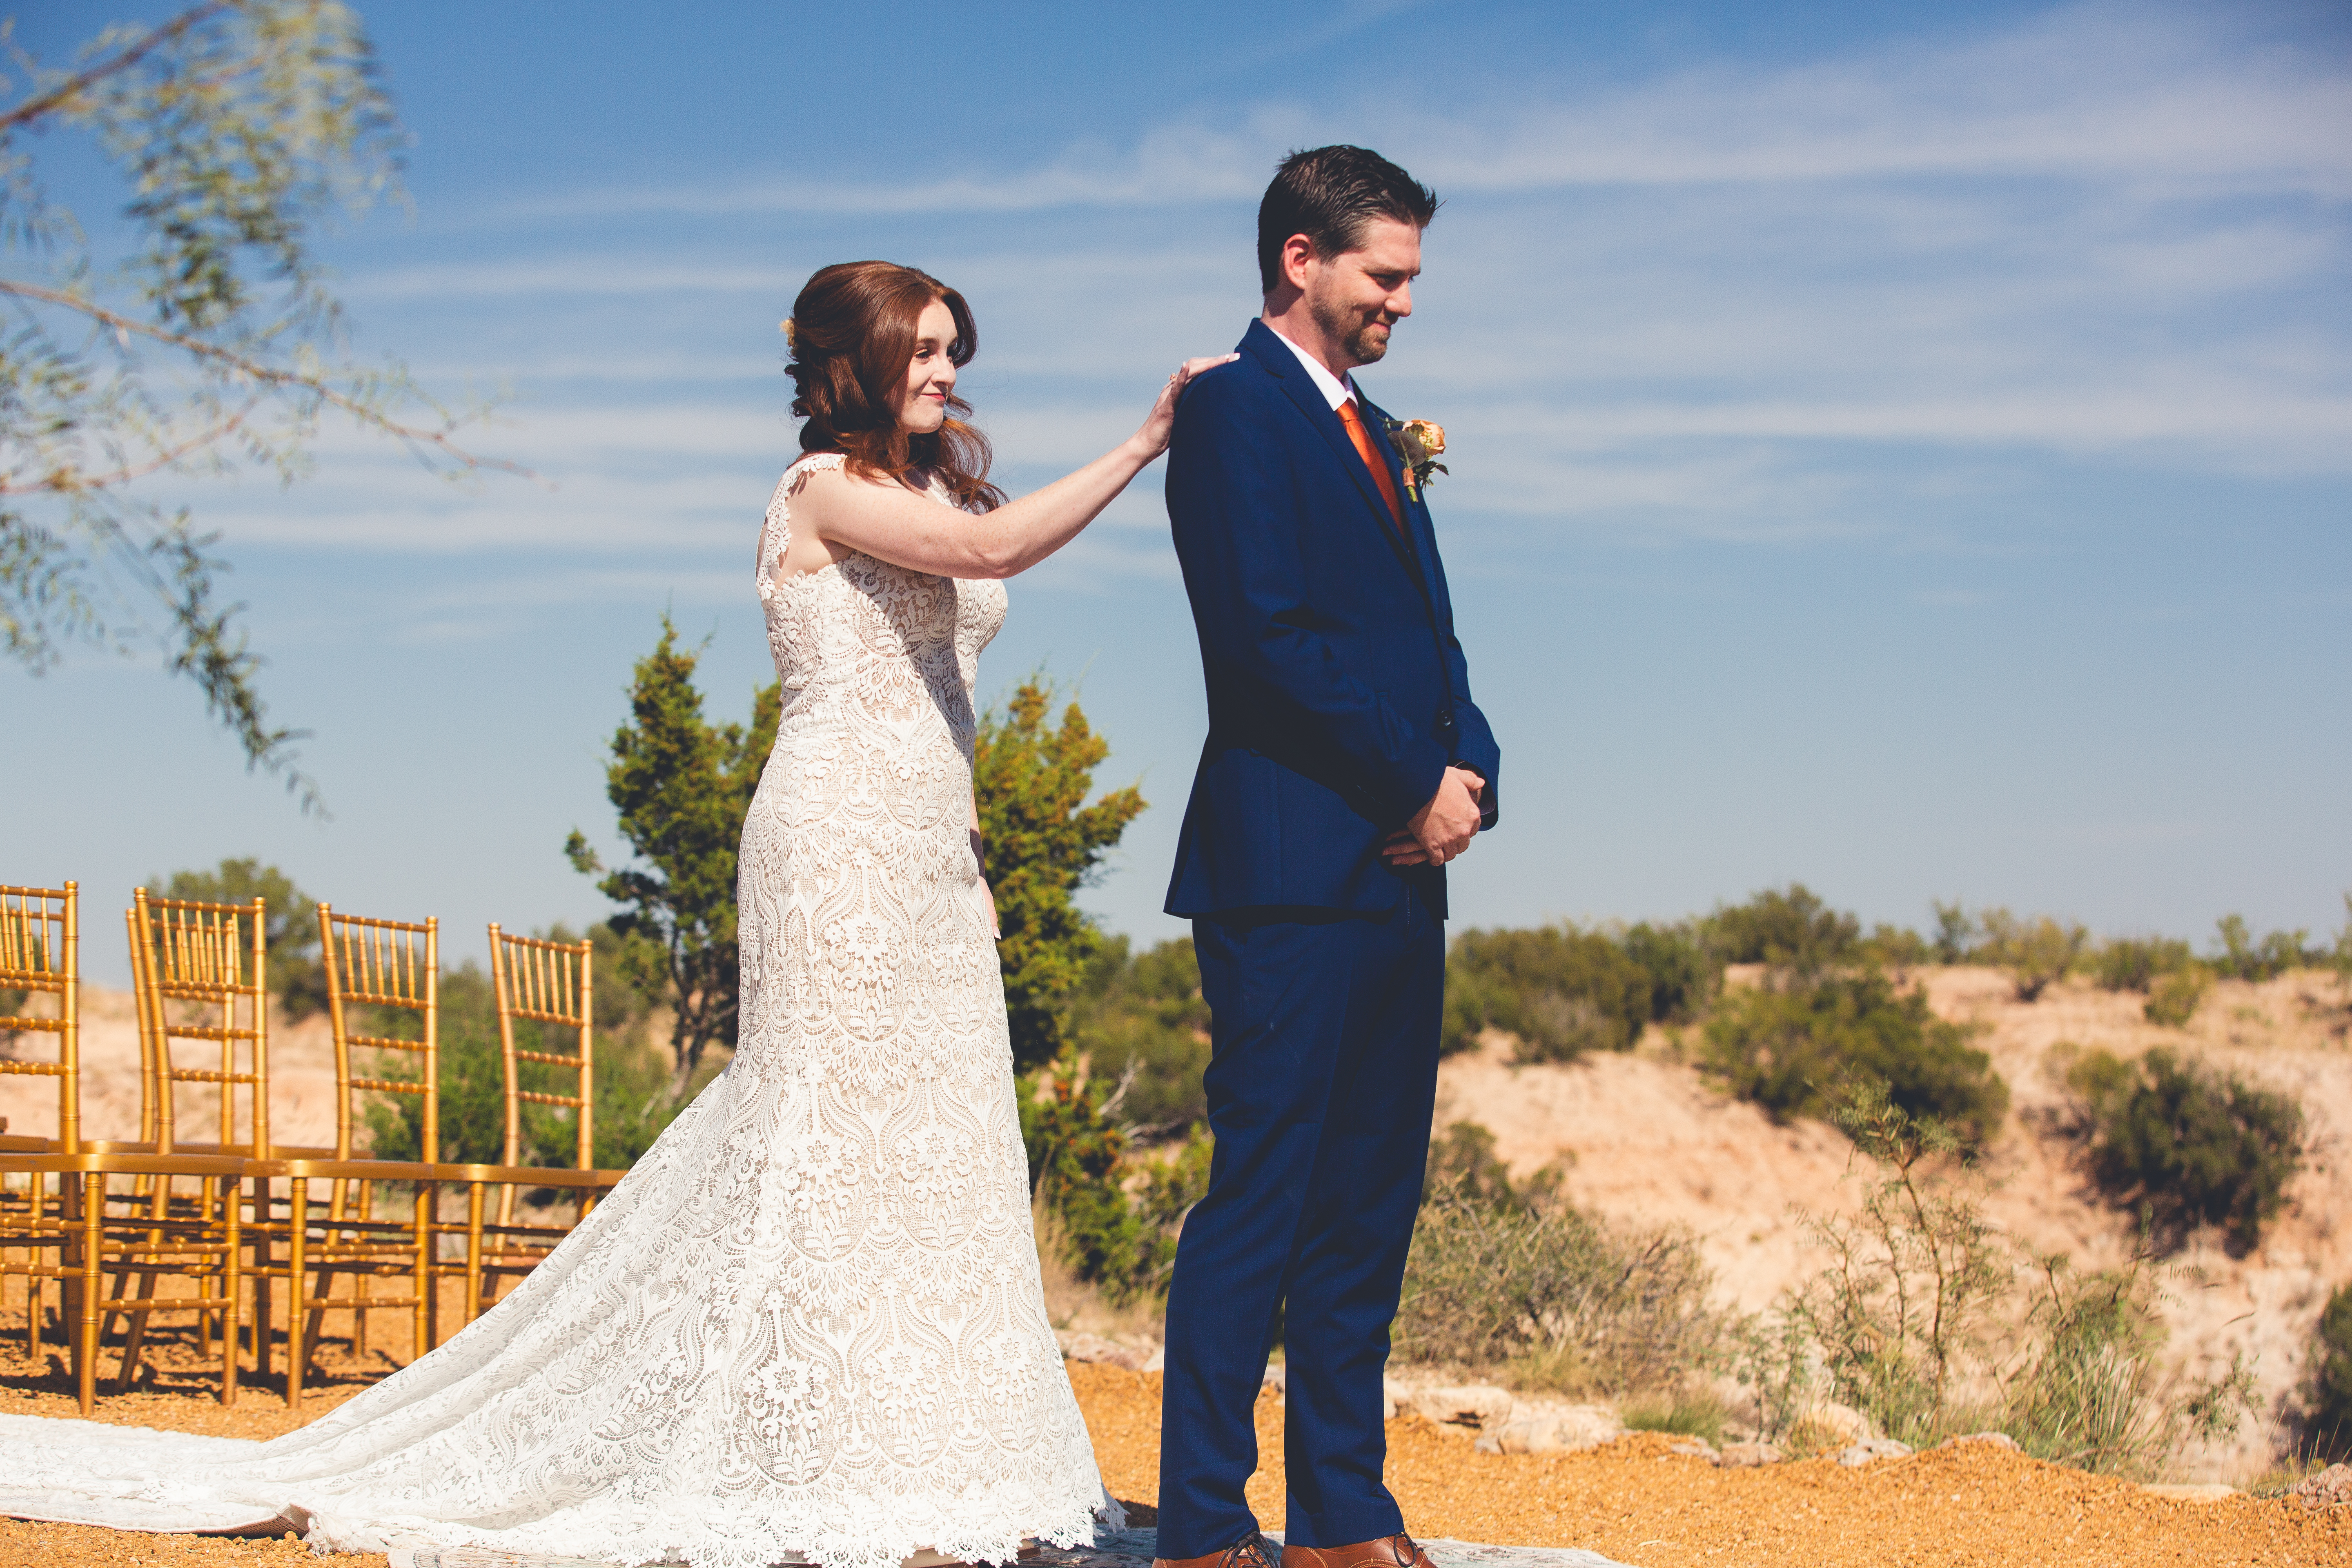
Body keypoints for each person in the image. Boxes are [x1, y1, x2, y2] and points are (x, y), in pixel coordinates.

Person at [0, 259, 1232, 1568]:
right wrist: (1150, 439)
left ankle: (942, 1467)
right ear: (851, 365)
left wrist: (965, 831)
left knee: (940, 1146)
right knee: (823, 1139)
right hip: (835, 852)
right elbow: (992, 555)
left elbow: (943, 656)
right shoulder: (820, 491)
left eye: (951, 349)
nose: (945, 371)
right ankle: (820, 1462)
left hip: (934, 862)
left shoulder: (932, 486)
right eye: (922, 350)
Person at [1154, 147, 1501, 1568]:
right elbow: (1265, 641)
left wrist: (1471, 770)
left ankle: (1343, 1518)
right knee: (1269, 1194)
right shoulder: (1234, 413)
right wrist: (1408, 779)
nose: (1404, 303)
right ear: (1300, 260)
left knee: (1371, 1198)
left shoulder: (1375, 432)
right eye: (1385, 275)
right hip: (1289, 868)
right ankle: (1200, 1525)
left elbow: (1435, 637)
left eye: (1411, 278)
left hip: (1404, 870)